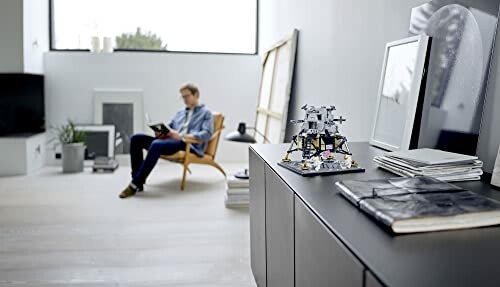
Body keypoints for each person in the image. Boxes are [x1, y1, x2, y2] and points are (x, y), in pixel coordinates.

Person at [119, 83, 213, 199]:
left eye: (187, 96)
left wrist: (181, 136)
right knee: (136, 138)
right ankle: (138, 182)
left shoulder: (205, 113)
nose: (184, 99)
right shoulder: (180, 113)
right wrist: (160, 131)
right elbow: (169, 126)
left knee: (156, 144)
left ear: (196, 95)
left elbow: (207, 134)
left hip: (184, 143)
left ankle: (134, 185)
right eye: (182, 97)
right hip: (168, 141)